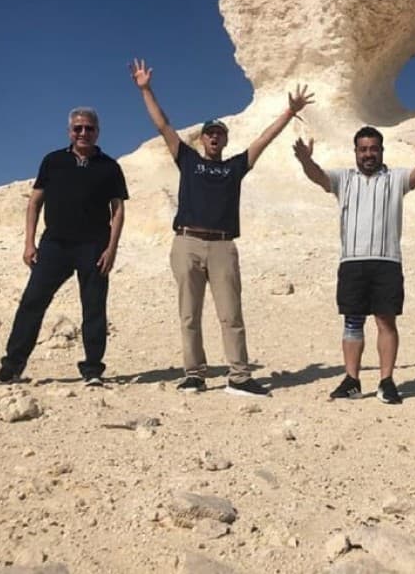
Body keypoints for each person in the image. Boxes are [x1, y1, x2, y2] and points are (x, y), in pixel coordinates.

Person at [131, 57, 313, 397]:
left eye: (220, 134)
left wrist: (288, 114)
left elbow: (263, 139)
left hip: (223, 246)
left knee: (231, 314)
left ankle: (240, 377)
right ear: (202, 139)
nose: (215, 138)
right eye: (210, 134)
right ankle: (194, 375)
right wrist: (146, 90)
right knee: (189, 314)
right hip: (186, 242)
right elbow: (163, 126)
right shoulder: (187, 159)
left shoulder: (234, 167)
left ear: (225, 141)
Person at [293, 126, 415, 404]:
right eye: (363, 149)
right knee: (353, 321)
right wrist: (305, 160)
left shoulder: (395, 178)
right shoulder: (344, 178)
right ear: (356, 152)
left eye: (373, 148)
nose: (368, 154)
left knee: (386, 320)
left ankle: (386, 381)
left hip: (387, 260)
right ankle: (352, 380)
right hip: (352, 261)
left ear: (381, 150)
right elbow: (319, 178)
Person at [0, 108, 128, 387]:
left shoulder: (109, 166)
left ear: (97, 132)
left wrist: (111, 248)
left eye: (89, 128)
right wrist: (29, 242)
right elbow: (35, 202)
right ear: (69, 132)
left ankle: (92, 370)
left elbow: (118, 210)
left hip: (93, 246)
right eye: (78, 128)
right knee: (32, 302)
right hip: (55, 245)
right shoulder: (53, 161)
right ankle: (12, 366)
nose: (83, 133)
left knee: (93, 307)